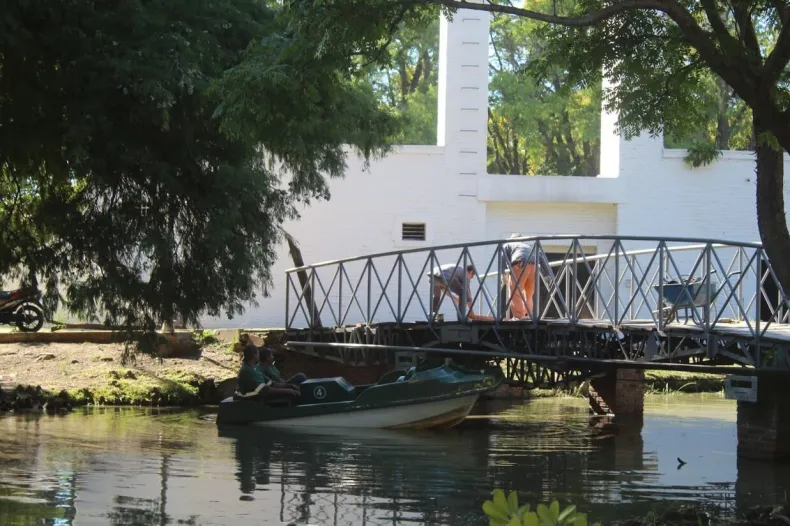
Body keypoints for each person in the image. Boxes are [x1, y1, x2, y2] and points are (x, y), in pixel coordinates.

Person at [502, 234, 551, 319]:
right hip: (533, 266)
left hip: (520, 263)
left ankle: (519, 316)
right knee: (528, 293)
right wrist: (547, 274)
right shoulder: (528, 246)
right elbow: (541, 256)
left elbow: (502, 257)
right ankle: (529, 315)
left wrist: (502, 273)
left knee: (515, 292)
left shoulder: (508, 244)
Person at [236, 344, 300, 399]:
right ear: (254, 355)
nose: (259, 356)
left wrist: (290, 386)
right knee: (291, 395)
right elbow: (264, 390)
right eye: (258, 353)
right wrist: (288, 391)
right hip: (251, 399)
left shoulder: (253, 368)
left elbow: (271, 383)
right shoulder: (247, 370)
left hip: (259, 395)